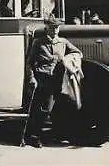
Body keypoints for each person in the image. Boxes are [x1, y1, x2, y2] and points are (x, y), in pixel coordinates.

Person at [25, 14, 82, 148]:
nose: (56, 30)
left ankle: (56, 133)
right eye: (53, 27)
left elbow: (77, 52)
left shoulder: (63, 42)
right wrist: (31, 78)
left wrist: (70, 60)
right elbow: (29, 63)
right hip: (43, 79)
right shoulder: (38, 42)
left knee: (60, 106)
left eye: (57, 27)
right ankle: (34, 136)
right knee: (44, 109)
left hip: (59, 80)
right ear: (47, 27)